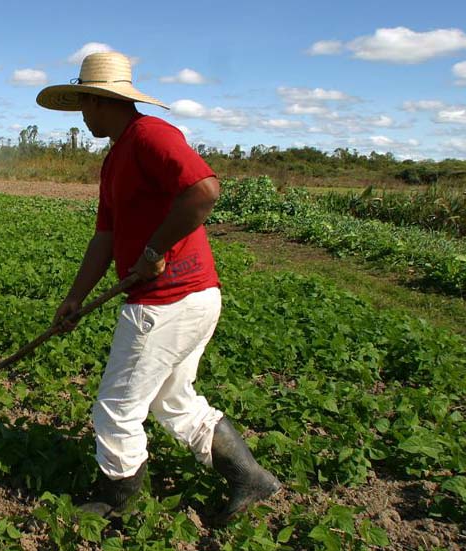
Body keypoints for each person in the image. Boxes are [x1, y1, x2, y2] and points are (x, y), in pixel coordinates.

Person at [36, 51, 280, 521]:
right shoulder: (115, 160)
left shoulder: (150, 135)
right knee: (173, 400)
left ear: (100, 101)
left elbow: (203, 190)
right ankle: (249, 477)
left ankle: (116, 504)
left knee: (115, 410)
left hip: (168, 301)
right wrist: (74, 298)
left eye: (84, 105)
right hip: (188, 298)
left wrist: (155, 250)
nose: (82, 116)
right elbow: (104, 237)